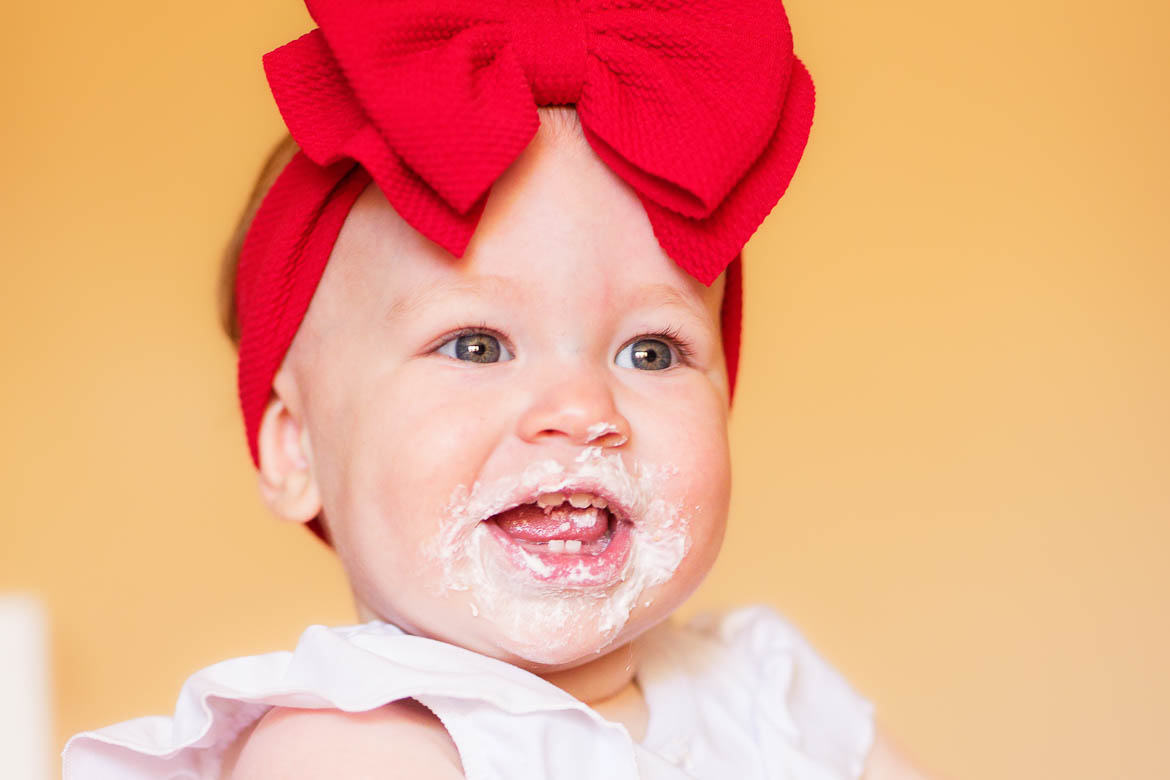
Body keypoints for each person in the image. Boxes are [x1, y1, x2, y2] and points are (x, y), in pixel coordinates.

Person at [64, 1, 934, 777]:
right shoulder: (352, 746)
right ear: (296, 445)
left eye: (653, 353)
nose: (583, 411)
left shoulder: (770, 691)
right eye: (477, 345)